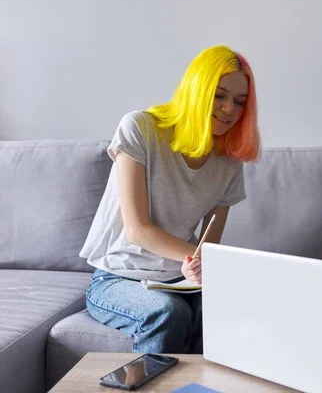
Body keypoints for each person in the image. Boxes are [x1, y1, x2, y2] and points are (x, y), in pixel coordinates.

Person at [80, 45, 260, 354]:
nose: (229, 109)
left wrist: (204, 265)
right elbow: (138, 229)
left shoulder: (229, 162)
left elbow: (208, 244)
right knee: (169, 312)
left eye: (239, 102)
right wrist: (198, 258)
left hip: (180, 279)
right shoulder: (140, 128)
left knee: (235, 310)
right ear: (197, 90)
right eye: (219, 95)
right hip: (119, 278)